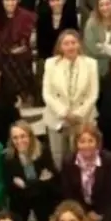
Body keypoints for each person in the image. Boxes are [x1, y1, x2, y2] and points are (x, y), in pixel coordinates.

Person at [42, 30, 99, 165]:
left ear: (79, 44)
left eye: (73, 43)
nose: (70, 46)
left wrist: (77, 115)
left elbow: (93, 94)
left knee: (80, 159)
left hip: (82, 119)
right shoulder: (50, 63)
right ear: (60, 47)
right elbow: (47, 93)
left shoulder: (91, 63)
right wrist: (64, 113)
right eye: (66, 43)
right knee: (59, 159)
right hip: (57, 120)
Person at [3, 120, 58, 221]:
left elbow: (53, 177)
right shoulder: (7, 157)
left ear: (30, 136)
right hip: (20, 198)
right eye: (15, 138)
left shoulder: (43, 150)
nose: (19, 141)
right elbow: (8, 185)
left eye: (23, 136)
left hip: (42, 196)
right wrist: (39, 181)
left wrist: (26, 184)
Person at [60, 121, 111, 221]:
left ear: (97, 142)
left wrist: (99, 212)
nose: (87, 145)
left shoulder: (108, 160)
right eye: (82, 141)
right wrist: (83, 214)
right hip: (78, 211)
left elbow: (109, 189)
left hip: (101, 211)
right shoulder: (68, 162)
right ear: (76, 143)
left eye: (91, 141)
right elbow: (68, 192)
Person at [0, 0, 37, 105]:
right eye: (7, 0)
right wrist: (8, 51)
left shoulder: (27, 16)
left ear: (18, 0)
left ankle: (25, 94)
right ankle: (13, 95)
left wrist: (20, 48)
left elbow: (29, 40)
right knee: (4, 62)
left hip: (21, 54)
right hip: (1, 55)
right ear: (1, 1)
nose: (10, 3)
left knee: (20, 62)